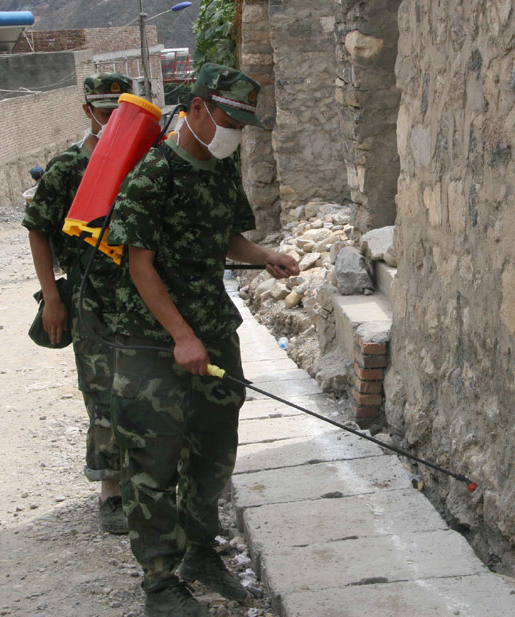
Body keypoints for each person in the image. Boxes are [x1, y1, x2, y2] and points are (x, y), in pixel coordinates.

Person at [107, 63, 299, 617]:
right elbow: (140, 265)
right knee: (154, 461)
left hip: (213, 331)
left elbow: (229, 237)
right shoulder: (152, 175)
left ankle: (201, 554)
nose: (234, 133)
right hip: (152, 344)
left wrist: (265, 255)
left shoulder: (220, 168)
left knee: (214, 451)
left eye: (241, 124)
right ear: (196, 108)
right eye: (228, 120)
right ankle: (160, 584)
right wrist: (182, 336)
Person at [22, 73, 134, 535]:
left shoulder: (145, 161)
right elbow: (38, 229)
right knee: (102, 390)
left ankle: (153, 480)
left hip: (145, 293)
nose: (111, 121)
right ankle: (111, 488)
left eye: (120, 114)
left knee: (150, 388)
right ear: (87, 111)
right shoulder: (68, 167)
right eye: (104, 112)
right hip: (92, 298)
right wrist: (52, 297)